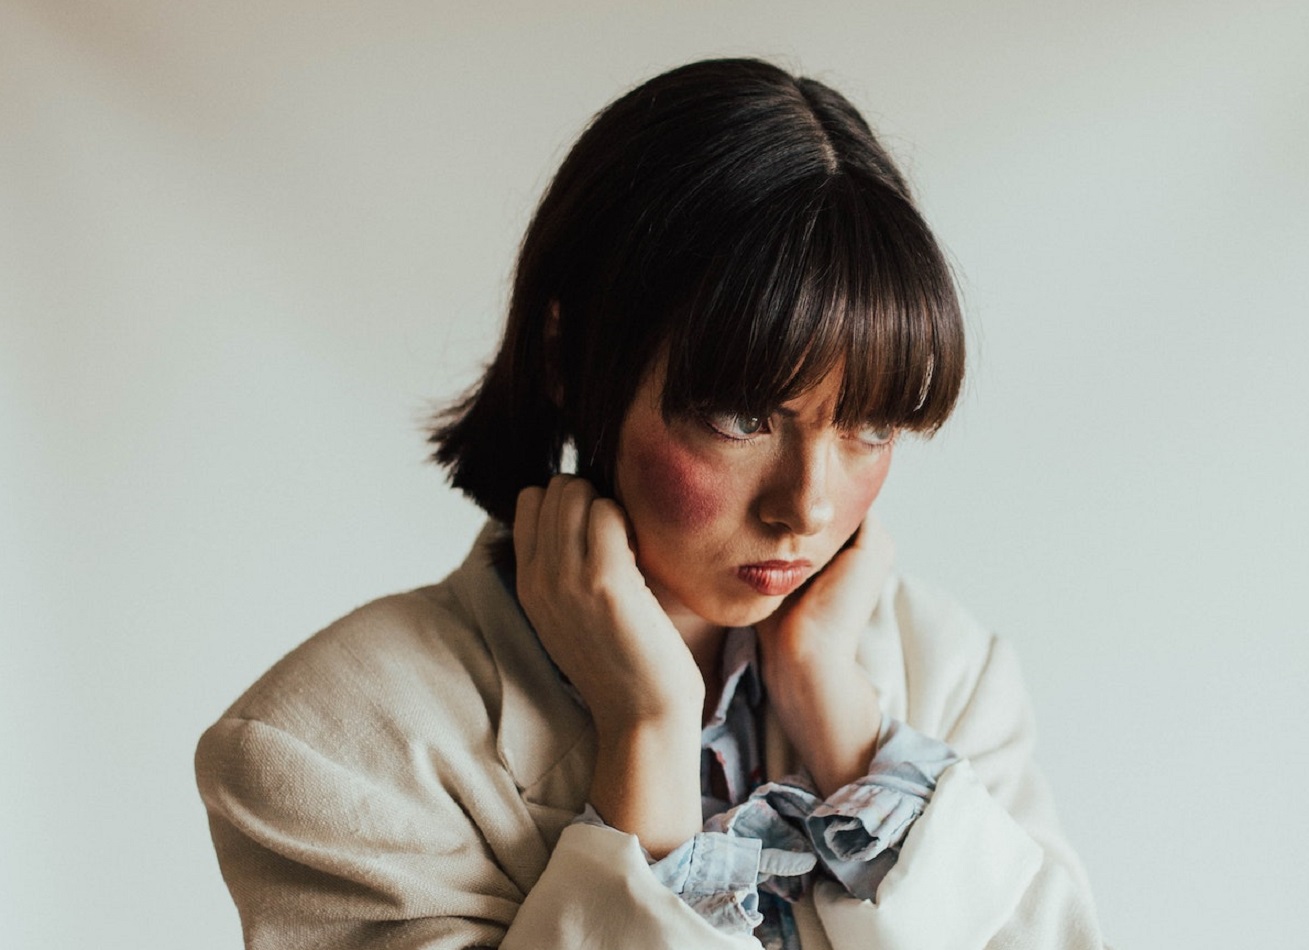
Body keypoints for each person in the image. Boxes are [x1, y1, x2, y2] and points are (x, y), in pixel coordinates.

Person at [196, 57, 1107, 949]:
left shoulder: (945, 676)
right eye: (743, 416)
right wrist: (647, 736)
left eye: (868, 426)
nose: (807, 505)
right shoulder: (334, 750)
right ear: (565, 358)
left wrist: (847, 729)